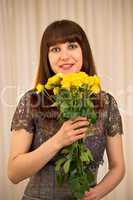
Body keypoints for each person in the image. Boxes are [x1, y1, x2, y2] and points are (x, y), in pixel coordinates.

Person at [8, 19, 125, 200]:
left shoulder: (107, 104)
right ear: (46, 56)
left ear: (83, 51)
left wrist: (97, 193)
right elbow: (14, 174)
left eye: (71, 46)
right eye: (55, 49)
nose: (64, 56)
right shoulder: (31, 101)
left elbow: (118, 166)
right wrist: (58, 141)